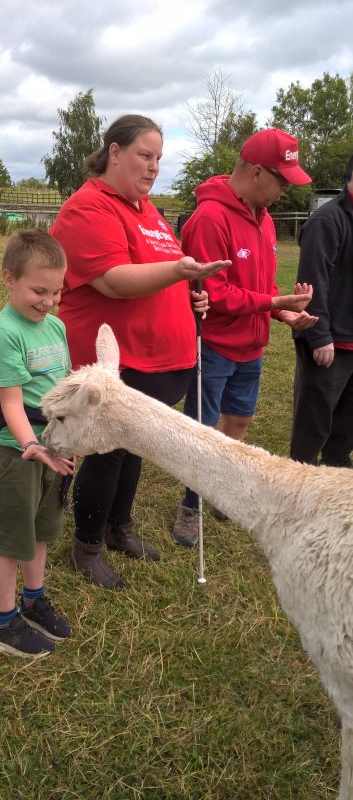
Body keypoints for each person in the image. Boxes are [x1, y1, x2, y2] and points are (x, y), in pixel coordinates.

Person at [50, 113, 230, 588]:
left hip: (156, 360)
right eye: (144, 156)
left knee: (133, 449)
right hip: (115, 359)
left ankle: (118, 528)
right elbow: (112, 281)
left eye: (159, 159)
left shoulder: (146, 211)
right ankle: (87, 545)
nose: (153, 168)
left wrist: (192, 296)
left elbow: (163, 269)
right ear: (114, 152)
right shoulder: (89, 207)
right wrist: (180, 273)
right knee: (109, 452)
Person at [172, 128, 318, 547]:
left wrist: (283, 312)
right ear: (257, 172)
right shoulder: (209, 219)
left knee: (238, 420)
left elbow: (260, 288)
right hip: (214, 345)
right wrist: (272, 303)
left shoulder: (266, 219)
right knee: (202, 429)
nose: (286, 190)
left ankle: (220, 488)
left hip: (251, 347)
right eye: (283, 180)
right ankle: (190, 503)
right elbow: (213, 294)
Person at [0, 229, 75, 658]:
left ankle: (34, 599)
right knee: (10, 541)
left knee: (39, 531)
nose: (48, 301)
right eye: (39, 290)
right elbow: (12, 403)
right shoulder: (6, 333)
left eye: (56, 291)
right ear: (8, 279)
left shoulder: (55, 326)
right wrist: (31, 445)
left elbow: (64, 387)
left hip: (52, 447)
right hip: (15, 451)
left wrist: (69, 438)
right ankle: (3, 623)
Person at [290, 153, 353, 467]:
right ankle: (298, 479)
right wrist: (319, 336)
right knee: (313, 421)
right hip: (331, 342)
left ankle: (336, 475)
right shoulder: (328, 220)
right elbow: (313, 281)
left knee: (346, 424)